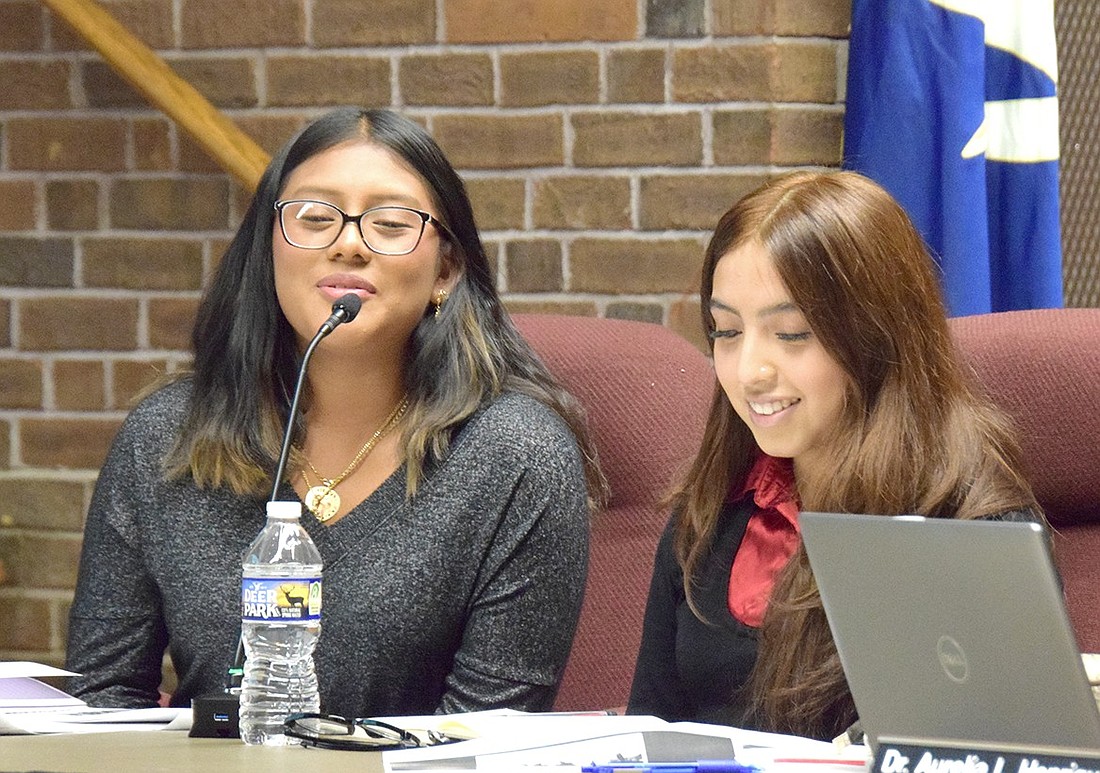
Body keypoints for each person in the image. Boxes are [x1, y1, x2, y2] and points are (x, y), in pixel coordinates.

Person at [66, 107, 605, 717]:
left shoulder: (515, 455)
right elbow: (101, 699)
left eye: (393, 223)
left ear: (446, 269)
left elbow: (482, 741)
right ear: (268, 248)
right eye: (316, 218)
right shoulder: (167, 435)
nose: (348, 244)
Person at [626, 171, 1042, 739]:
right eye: (725, 331)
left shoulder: (972, 530)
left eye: (791, 334)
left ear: (876, 337)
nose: (749, 372)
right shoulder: (710, 514)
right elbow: (649, 737)